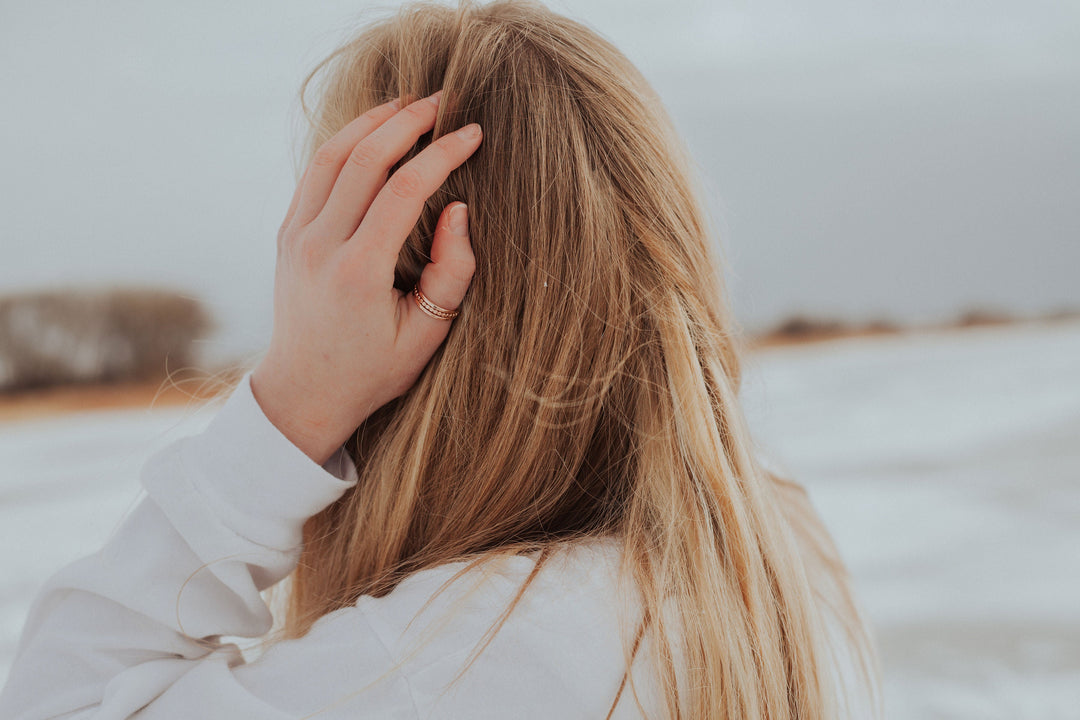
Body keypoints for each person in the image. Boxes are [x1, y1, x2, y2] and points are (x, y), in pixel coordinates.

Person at [0, 1, 879, 717]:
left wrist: (294, 406)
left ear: (403, 286)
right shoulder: (775, 559)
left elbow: (63, 697)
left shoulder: (451, 664)